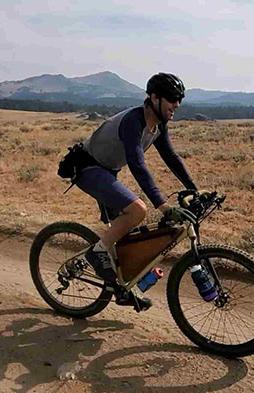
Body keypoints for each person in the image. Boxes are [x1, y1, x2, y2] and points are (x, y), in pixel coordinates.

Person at [68, 72, 199, 311]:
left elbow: (170, 156)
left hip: (108, 170)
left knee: (131, 233)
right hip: (88, 167)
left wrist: (193, 189)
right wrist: (163, 205)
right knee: (137, 210)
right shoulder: (133, 122)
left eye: (179, 99)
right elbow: (137, 164)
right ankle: (97, 253)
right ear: (154, 97)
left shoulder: (159, 126)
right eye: (171, 98)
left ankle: (121, 286)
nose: (176, 104)